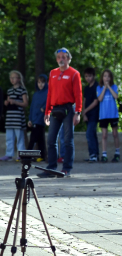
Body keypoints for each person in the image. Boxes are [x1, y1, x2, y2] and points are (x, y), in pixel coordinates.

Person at [39, 47, 82, 178]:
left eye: (64, 57)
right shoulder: (53, 73)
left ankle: (66, 169)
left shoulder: (74, 73)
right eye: (59, 57)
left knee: (67, 140)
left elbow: (78, 94)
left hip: (68, 109)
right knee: (51, 139)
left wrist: (78, 112)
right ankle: (51, 168)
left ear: (68, 58)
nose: (61, 59)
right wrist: (47, 112)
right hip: (55, 110)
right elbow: (50, 93)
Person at [0, 70, 28, 161]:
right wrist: (6, 102)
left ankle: (21, 153)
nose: (12, 79)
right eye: (11, 78)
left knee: (19, 137)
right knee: (9, 137)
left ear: (19, 79)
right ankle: (9, 154)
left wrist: (15, 102)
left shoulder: (22, 90)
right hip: (10, 117)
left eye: (14, 77)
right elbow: (8, 100)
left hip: (18, 117)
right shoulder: (9, 90)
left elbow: (25, 103)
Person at [96, 69, 120, 162]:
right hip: (103, 115)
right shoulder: (99, 87)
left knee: (115, 133)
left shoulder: (114, 86)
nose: (107, 78)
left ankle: (117, 153)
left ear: (111, 78)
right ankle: (104, 154)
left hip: (113, 114)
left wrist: (109, 87)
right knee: (104, 135)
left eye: (108, 76)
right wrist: (104, 88)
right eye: (105, 76)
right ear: (102, 77)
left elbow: (116, 96)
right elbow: (100, 99)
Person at [28, 74, 48, 161]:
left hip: (42, 118)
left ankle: (27, 155)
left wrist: (44, 108)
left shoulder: (48, 93)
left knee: (33, 138)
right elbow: (32, 107)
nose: (40, 84)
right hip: (34, 119)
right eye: (39, 82)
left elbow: (50, 103)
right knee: (40, 139)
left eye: (42, 82)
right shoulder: (35, 94)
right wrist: (30, 119)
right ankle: (42, 156)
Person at [81, 67, 100, 162]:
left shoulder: (97, 86)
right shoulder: (86, 88)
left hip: (94, 114)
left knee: (89, 133)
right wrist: (84, 113)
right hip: (87, 114)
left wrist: (85, 111)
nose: (88, 78)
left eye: (90, 76)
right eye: (86, 76)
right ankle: (94, 154)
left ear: (94, 76)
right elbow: (84, 101)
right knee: (92, 134)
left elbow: (95, 102)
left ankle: (93, 154)